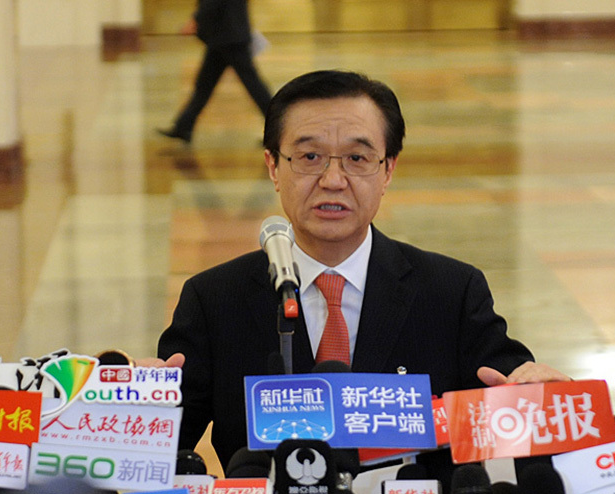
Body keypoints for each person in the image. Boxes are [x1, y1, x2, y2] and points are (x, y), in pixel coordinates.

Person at [149, 70, 570, 470]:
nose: (333, 180)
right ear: (273, 167)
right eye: (309, 156)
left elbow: (524, 417)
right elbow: (159, 446)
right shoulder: (215, 300)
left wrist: (551, 400)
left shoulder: (452, 292)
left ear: (388, 170)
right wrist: (131, 405)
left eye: (357, 158)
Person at [157, 0, 272, 143]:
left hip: (229, 37)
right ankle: (183, 127)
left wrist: (195, 20)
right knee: (204, 85)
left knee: (253, 86)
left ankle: (279, 127)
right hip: (225, 36)